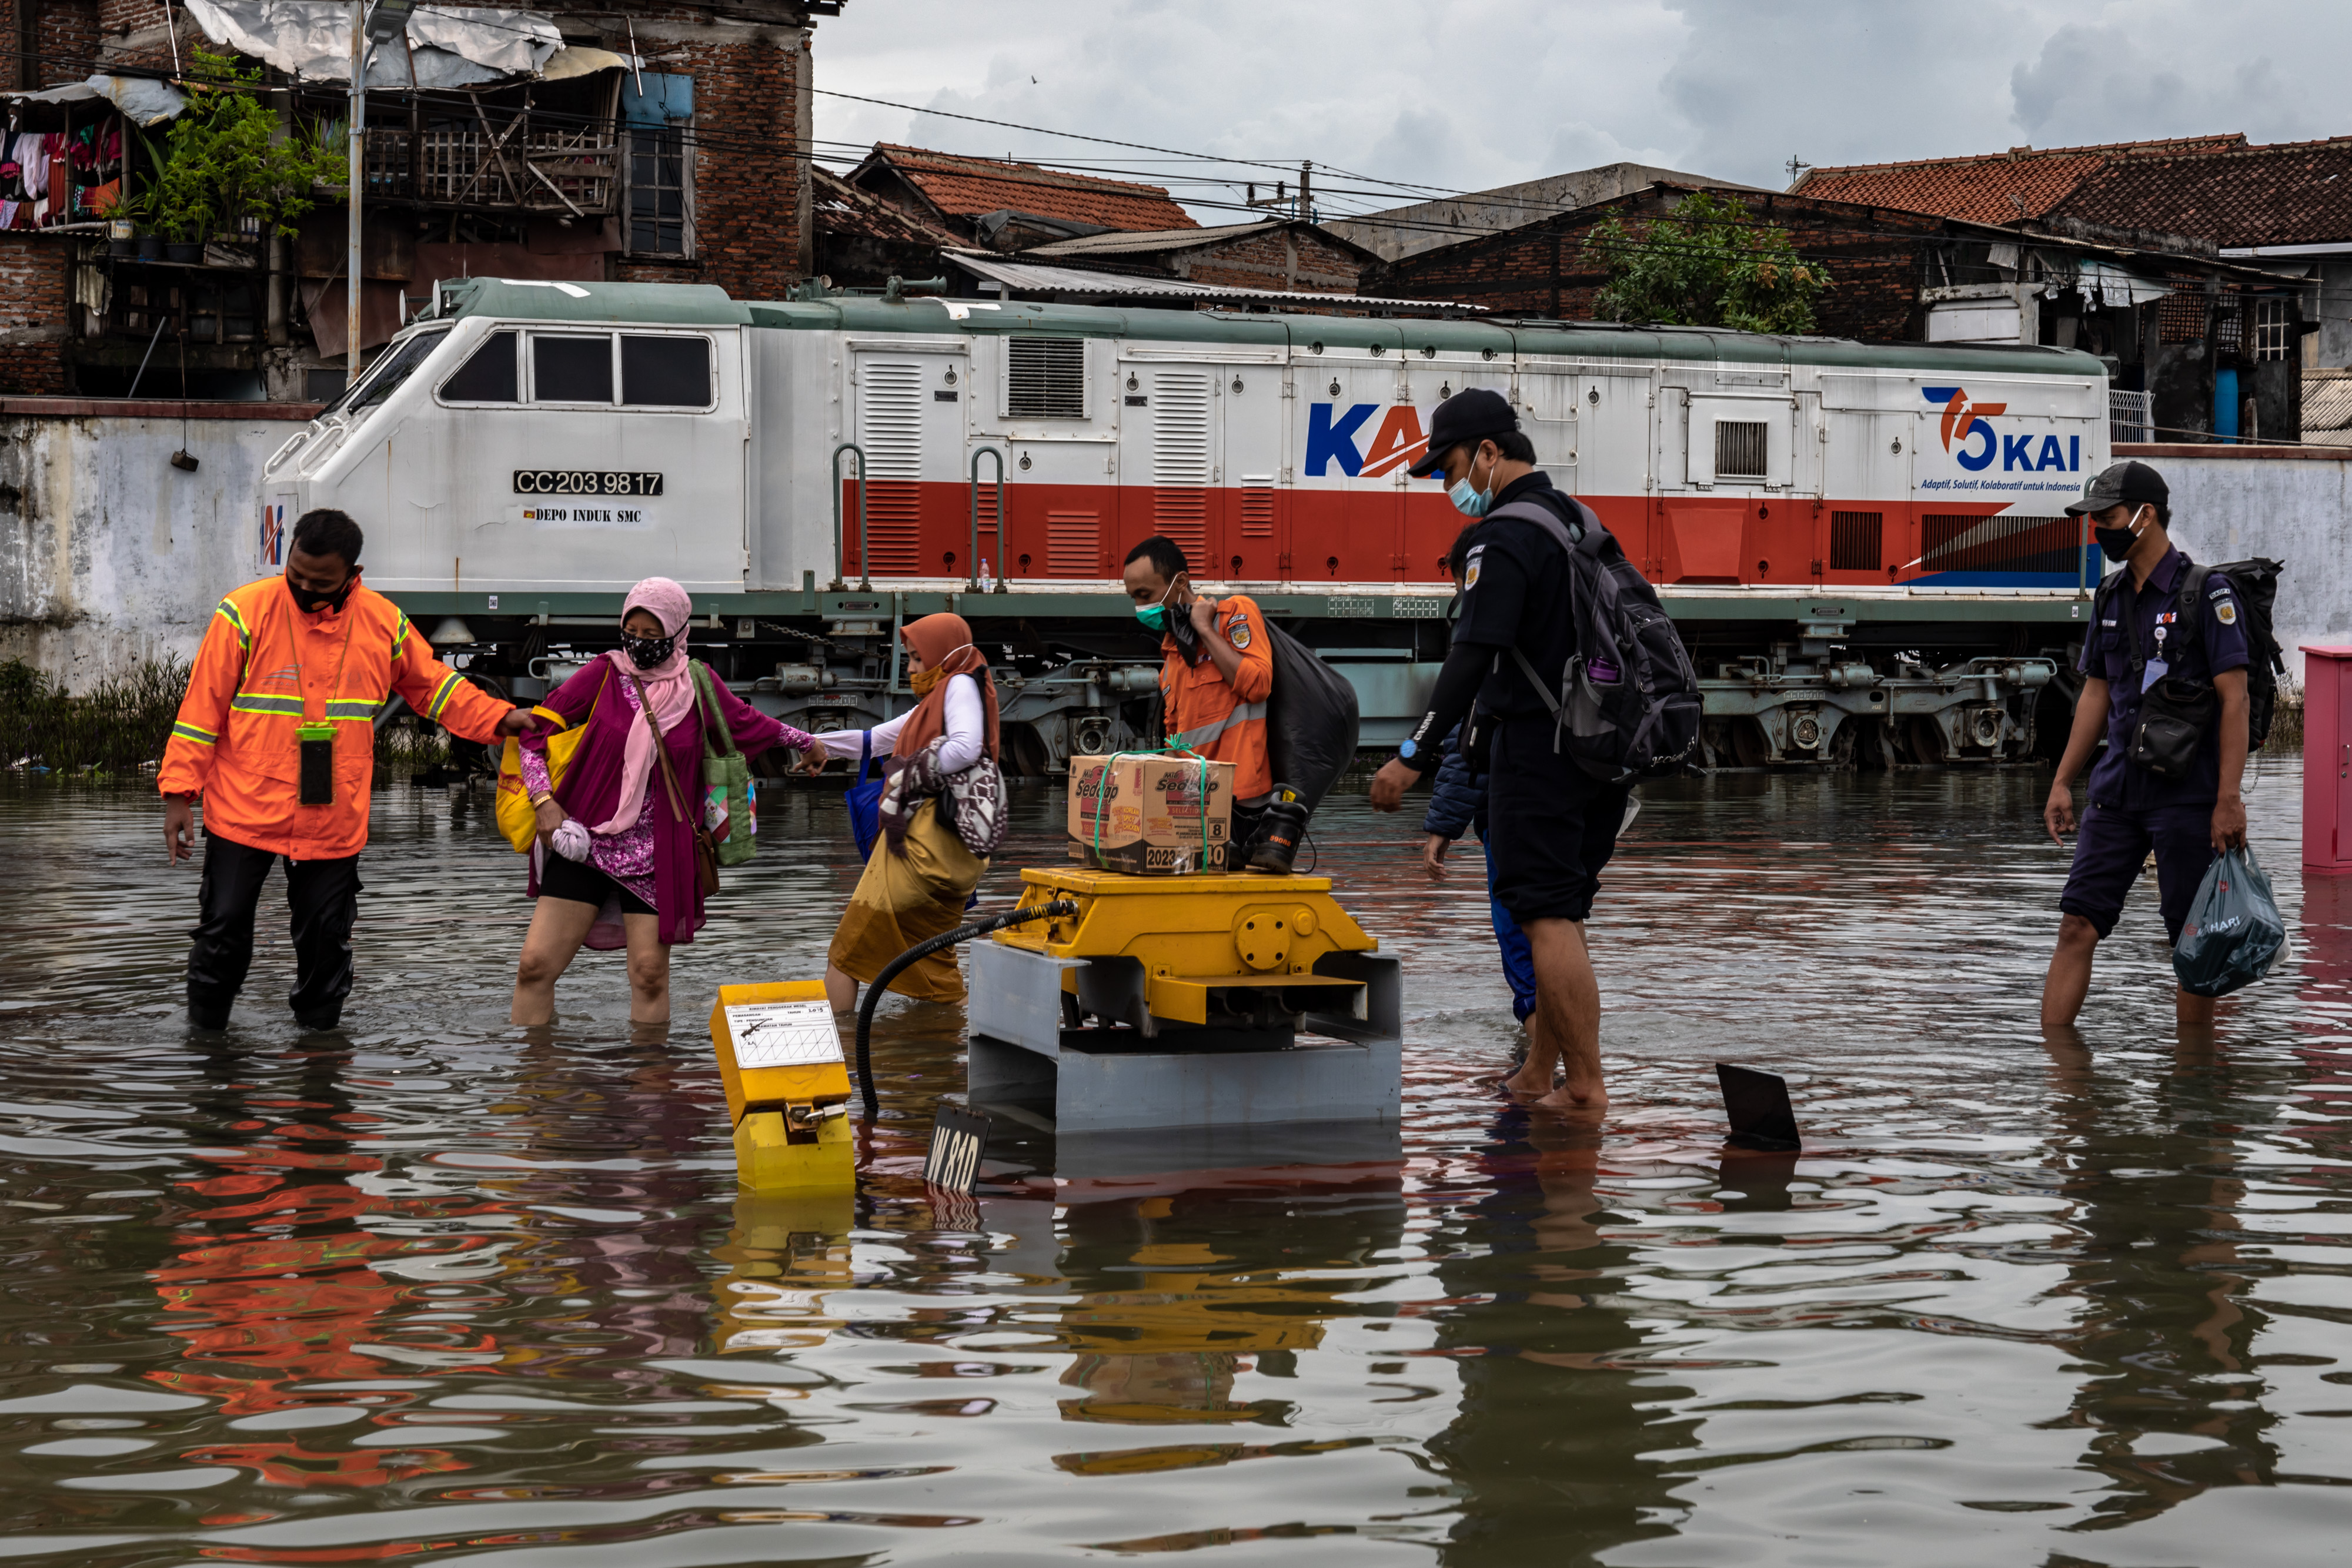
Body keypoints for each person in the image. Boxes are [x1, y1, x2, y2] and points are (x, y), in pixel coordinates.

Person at [162, 507, 541, 1031]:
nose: (303, 589)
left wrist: (501, 717)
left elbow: (433, 686)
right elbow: (201, 710)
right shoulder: (243, 612)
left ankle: (320, 1063)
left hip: (332, 818)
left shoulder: (383, 622)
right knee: (222, 931)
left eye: (320, 584)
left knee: (326, 943)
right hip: (242, 809)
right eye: (295, 575)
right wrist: (178, 793)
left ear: (351, 575)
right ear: (288, 554)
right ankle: (205, 1045)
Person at [1367, 387, 1637, 1115]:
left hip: (1537, 753)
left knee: (1545, 917)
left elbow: (1473, 653)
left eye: (1451, 465)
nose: (1448, 484)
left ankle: (1583, 1090)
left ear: (1489, 452)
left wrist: (1413, 753)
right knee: (1557, 914)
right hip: (1596, 751)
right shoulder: (1576, 520)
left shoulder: (1502, 536)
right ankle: (1535, 1072)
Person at [510, 578, 812, 1028]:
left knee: (650, 976)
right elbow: (535, 733)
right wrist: (543, 800)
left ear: (677, 632)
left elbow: (752, 725)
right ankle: (536, 1079)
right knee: (535, 965)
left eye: (653, 635)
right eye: (632, 630)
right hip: (585, 843)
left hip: (659, 852)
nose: (639, 643)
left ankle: (651, 1085)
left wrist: (811, 743)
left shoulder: (699, 685)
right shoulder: (603, 673)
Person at [2041, 460, 2250, 1034]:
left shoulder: (2206, 593)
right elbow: (2095, 694)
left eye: (2106, 519)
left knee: (2191, 943)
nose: (2098, 531)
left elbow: (2235, 701)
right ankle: (2058, 1084)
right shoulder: (2109, 595)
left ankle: (2194, 1089)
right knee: (2075, 924)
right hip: (2114, 793)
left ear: (2145, 514)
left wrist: (2227, 799)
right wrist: (2062, 781)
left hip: (2186, 796)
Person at [804, 613, 1002, 1012]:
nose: (910, 668)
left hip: (920, 852)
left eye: (915, 658)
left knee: (845, 954)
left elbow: (967, 747)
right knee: (934, 967)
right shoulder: (943, 699)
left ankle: (839, 1056)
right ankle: (952, 1049)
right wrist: (806, 742)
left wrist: (906, 772)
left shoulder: (959, 684)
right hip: (952, 855)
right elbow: (875, 740)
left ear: (944, 654)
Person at [1422, 536, 1537, 1030]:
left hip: (1510, 810)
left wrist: (1442, 826)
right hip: (1563, 803)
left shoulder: (1488, 638)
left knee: (1519, 932)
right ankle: (1569, 1066)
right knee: (1559, 927)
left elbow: (1468, 737)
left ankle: (1538, 1062)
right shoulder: (1548, 620)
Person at [1120, 535, 1279, 865]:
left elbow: (1260, 685)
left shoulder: (1234, 614)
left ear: (1180, 582)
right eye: (1133, 598)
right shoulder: (1171, 658)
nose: (1140, 607)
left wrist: (1205, 630)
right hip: (1196, 810)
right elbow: (1177, 739)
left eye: (1145, 595)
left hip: (1244, 807)